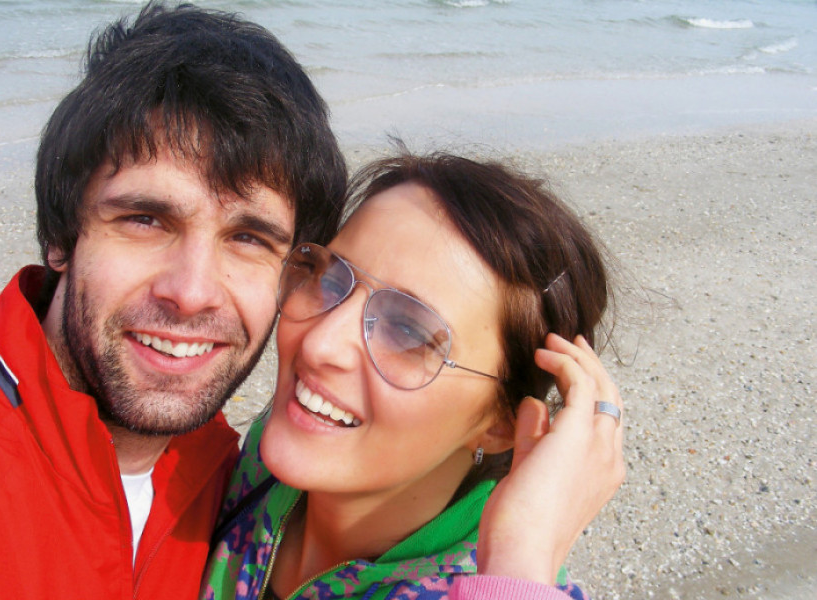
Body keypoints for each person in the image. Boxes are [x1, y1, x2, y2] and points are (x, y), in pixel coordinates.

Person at [0, 3, 346, 598]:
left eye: (248, 238)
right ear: (61, 236)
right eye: (145, 220)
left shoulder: (237, 490)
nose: (191, 293)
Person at [204, 152, 625, 600]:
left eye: (408, 331)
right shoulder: (258, 463)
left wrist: (519, 557)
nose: (318, 344)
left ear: (503, 423)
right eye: (332, 280)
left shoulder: (511, 580)